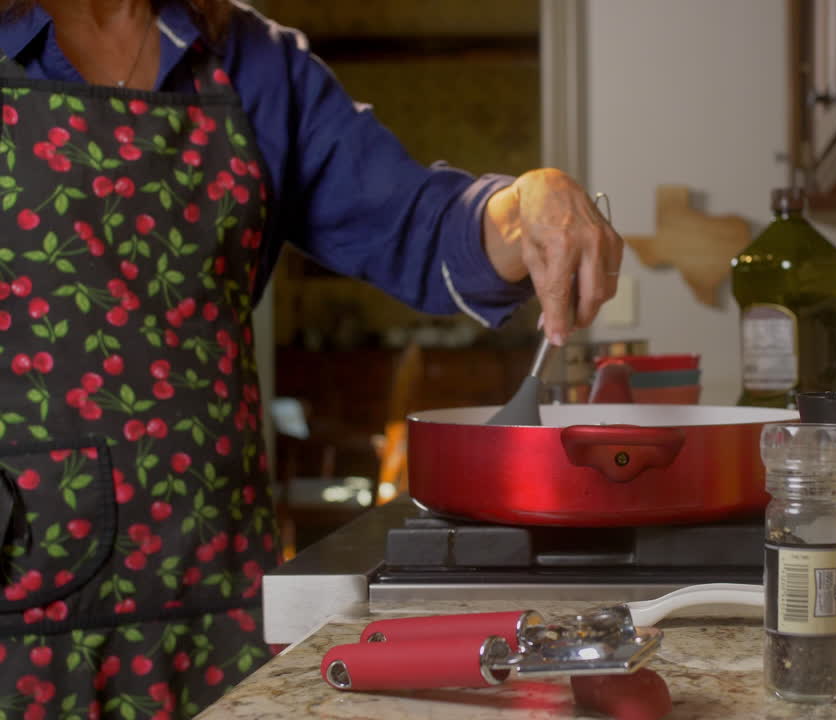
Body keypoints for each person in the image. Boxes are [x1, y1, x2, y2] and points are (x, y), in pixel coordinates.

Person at [0, 0, 622, 716]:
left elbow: (415, 223)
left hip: (217, 579)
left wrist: (529, 203)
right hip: (20, 596)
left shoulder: (253, 60)